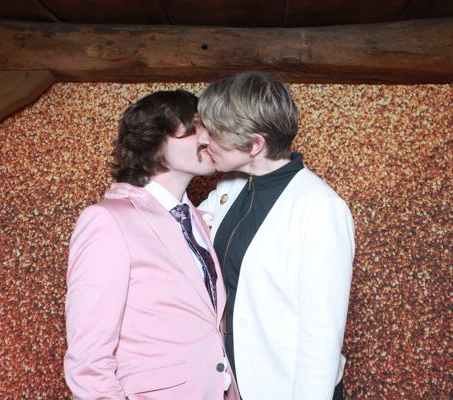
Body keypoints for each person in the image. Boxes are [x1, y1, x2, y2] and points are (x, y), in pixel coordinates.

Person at [64, 90, 239, 400]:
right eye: (197, 125)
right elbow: (88, 364)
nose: (209, 137)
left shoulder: (197, 219)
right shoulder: (107, 221)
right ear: (154, 136)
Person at [197, 72, 355, 400]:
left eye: (215, 132)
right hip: (231, 382)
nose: (204, 140)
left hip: (282, 388)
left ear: (255, 144)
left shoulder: (319, 207)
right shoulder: (231, 186)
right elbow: (178, 231)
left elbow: (321, 335)